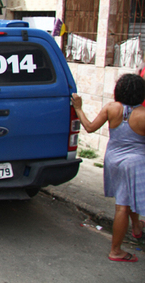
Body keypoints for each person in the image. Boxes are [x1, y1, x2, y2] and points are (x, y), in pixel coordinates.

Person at [72, 73, 145, 263]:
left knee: (126, 196)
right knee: (123, 205)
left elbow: (89, 127)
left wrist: (78, 108)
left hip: (113, 160)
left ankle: (136, 227)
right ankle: (116, 250)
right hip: (135, 162)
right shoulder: (143, 115)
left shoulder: (111, 108)